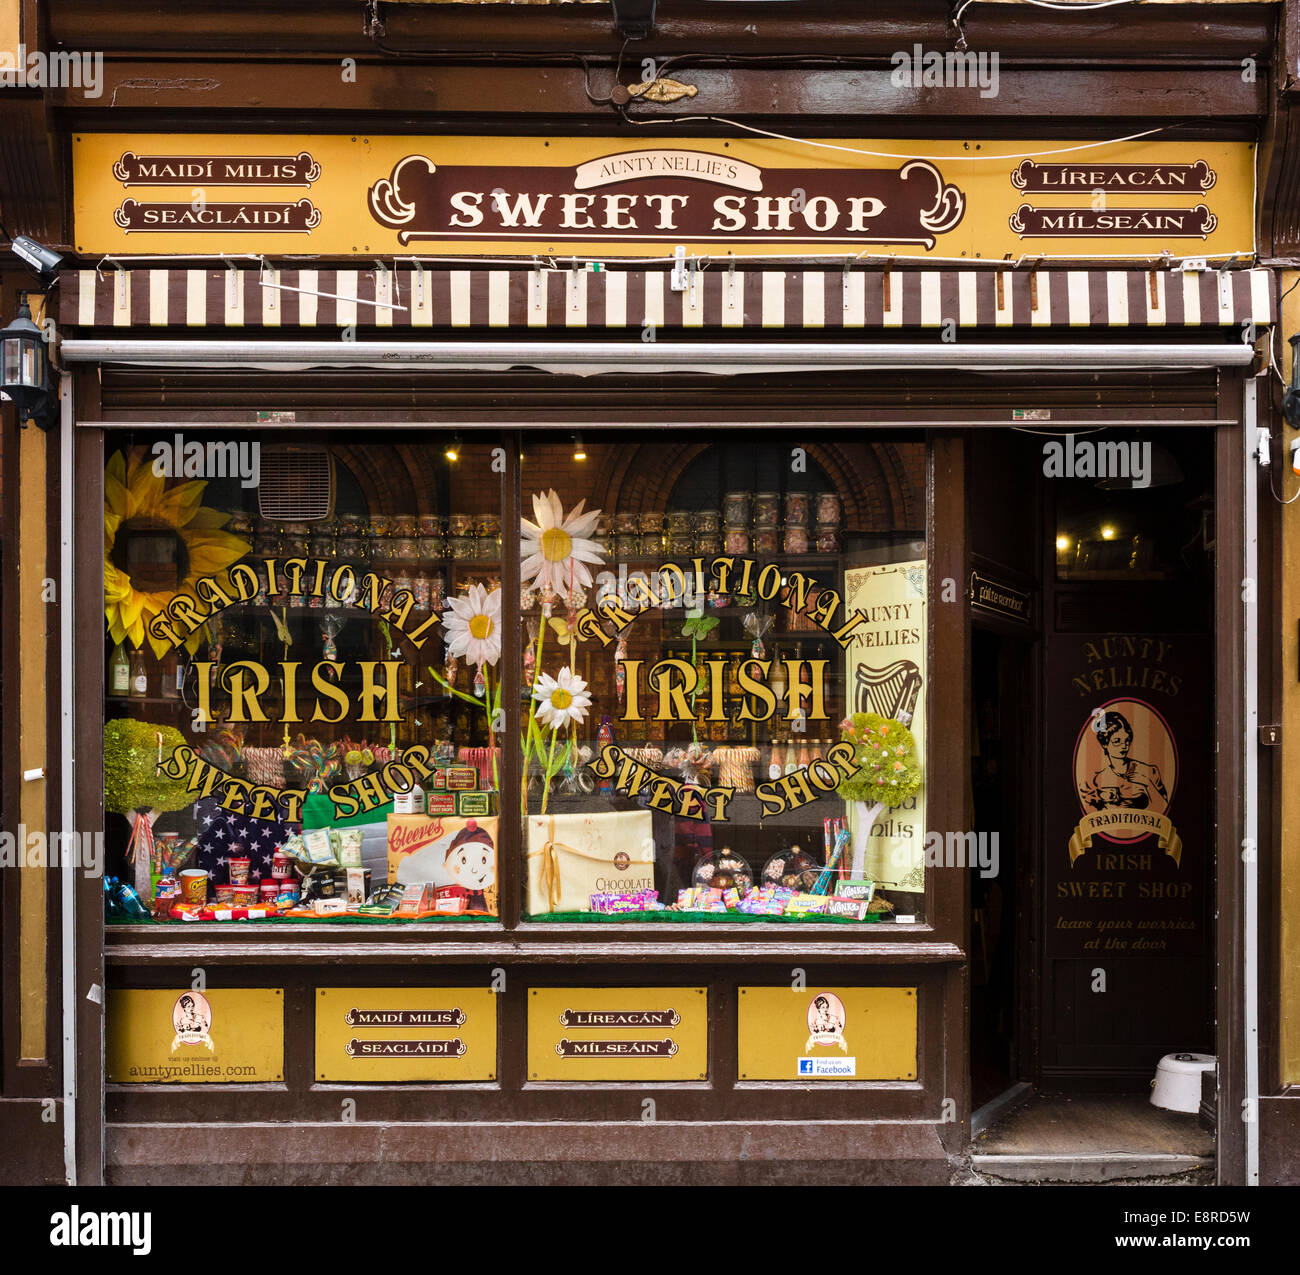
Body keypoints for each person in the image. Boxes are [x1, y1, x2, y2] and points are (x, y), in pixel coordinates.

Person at [1079, 710, 1168, 815]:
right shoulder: (1099, 780)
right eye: (1117, 741)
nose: (1124, 746)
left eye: (1127, 740)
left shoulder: (1148, 771)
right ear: (1105, 743)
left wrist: (1147, 783)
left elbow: (1165, 805)